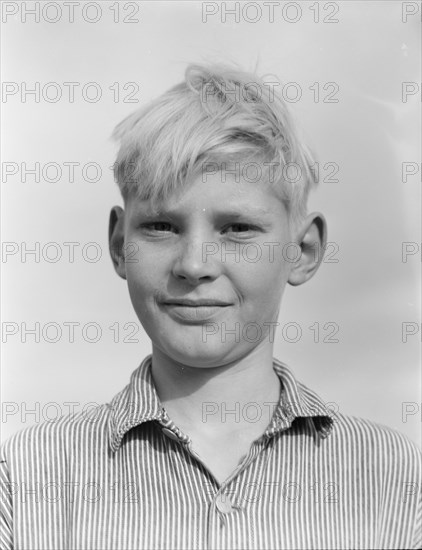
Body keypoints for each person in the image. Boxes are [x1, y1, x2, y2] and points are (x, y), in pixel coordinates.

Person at [1, 63, 420, 550]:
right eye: (161, 226)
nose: (194, 265)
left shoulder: (393, 481)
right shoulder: (28, 478)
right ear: (119, 243)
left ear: (302, 251)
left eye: (237, 228)